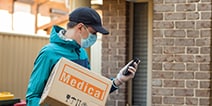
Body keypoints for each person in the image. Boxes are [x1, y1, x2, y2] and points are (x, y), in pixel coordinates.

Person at [26, 7, 139, 106]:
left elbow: (88, 91)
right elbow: (32, 97)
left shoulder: (82, 53)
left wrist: (119, 79)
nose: (94, 37)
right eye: (93, 32)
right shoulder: (49, 53)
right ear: (80, 27)